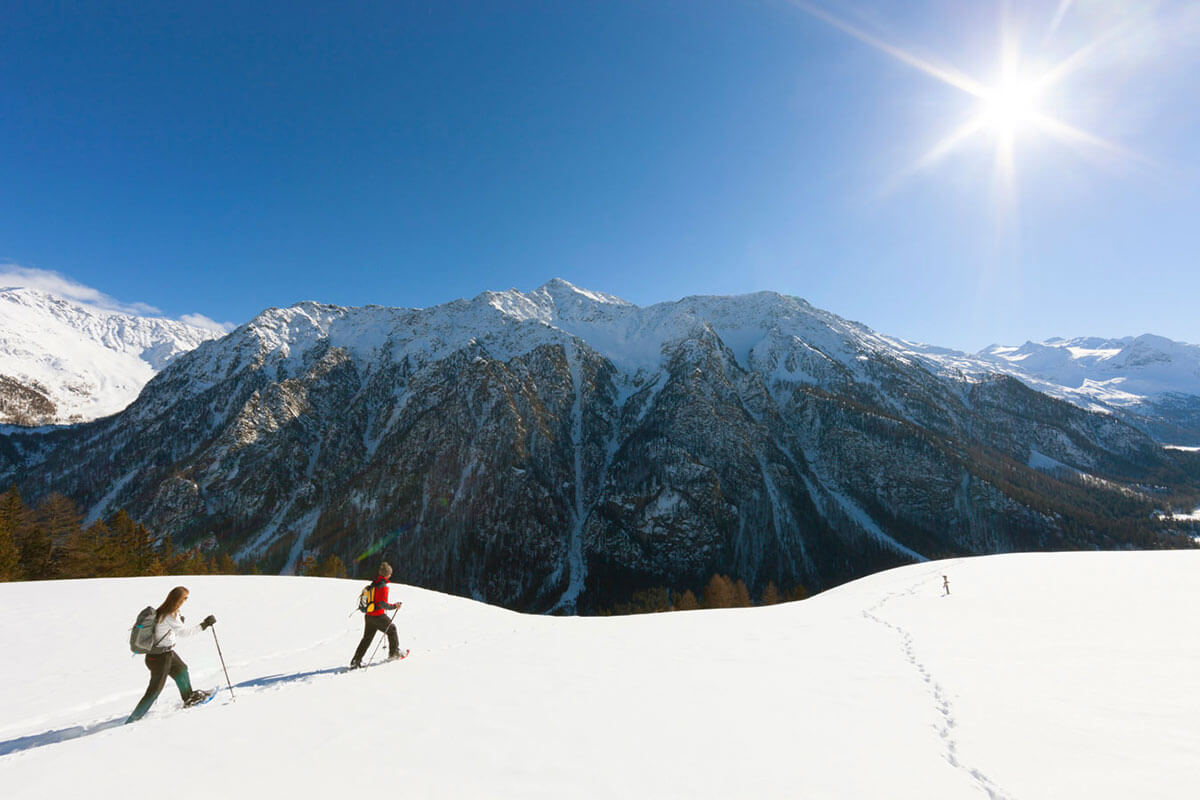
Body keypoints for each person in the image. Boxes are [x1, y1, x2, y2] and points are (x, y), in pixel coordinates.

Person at [126, 586, 217, 723]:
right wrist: (204, 625)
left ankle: (189, 698)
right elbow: (184, 633)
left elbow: (166, 630)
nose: (186, 600)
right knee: (155, 690)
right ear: (178, 599)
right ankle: (133, 719)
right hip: (160, 657)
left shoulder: (164, 611)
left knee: (182, 669)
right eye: (185, 598)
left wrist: (179, 622)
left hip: (164, 653)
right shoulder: (169, 615)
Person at [350, 562, 407, 668]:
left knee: (366, 638)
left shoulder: (374, 583)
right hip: (378, 616)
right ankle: (394, 653)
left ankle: (355, 661)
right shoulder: (383, 587)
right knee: (392, 630)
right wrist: (395, 606)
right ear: (387, 575)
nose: (391, 575)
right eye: (390, 573)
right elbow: (383, 604)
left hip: (369, 615)